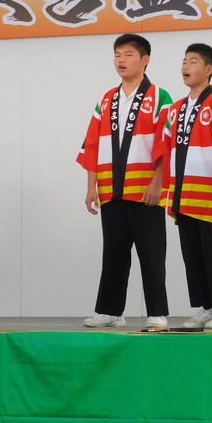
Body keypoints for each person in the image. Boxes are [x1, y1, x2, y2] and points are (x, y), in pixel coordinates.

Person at [77, 34, 172, 330]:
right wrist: (91, 187)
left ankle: (157, 313)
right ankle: (109, 312)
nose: (121, 60)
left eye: (128, 54)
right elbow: (92, 144)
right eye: (117, 54)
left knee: (152, 254)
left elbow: (166, 144)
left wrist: (157, 184)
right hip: (110, 189)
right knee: (114, 254)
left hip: (145, 191)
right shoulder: (107, 99)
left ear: (145, 60)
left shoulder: (160, 97)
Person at [155, 43, 212, 330]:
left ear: (209, 69)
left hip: (211, 193)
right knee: (192, 255)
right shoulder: (175, 109)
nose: (185, 66)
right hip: (183, 193)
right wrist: (168, 191)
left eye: (193, 61)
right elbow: (167, 151)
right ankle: (204, 307)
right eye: (184, 61)